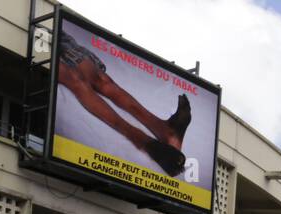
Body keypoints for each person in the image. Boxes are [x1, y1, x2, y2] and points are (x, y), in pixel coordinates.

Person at [56, 26, 192, 176]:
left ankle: (161, 133)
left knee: (97, 80)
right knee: (84, 80)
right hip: (49, 39)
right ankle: (152, 136)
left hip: (52, 34)